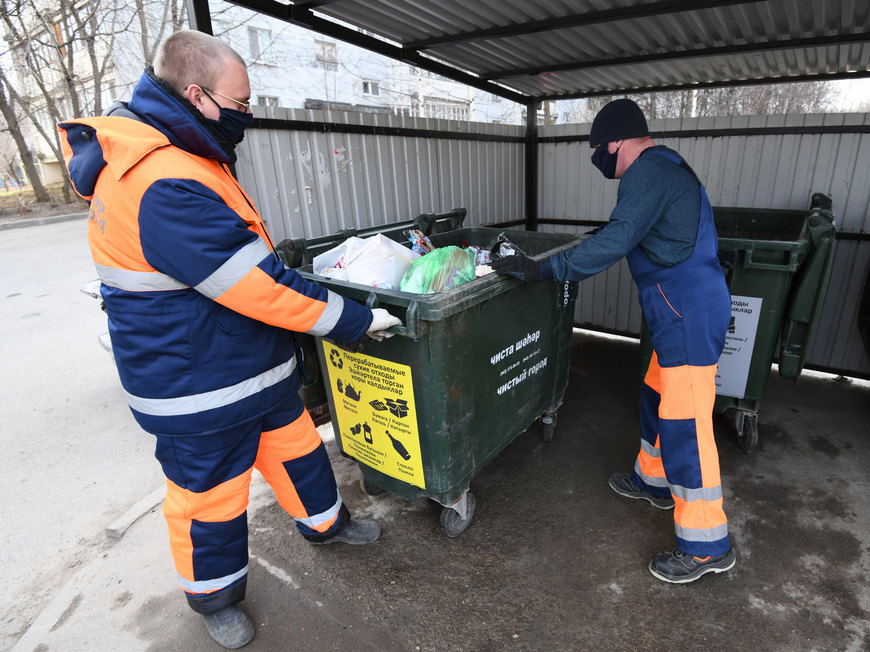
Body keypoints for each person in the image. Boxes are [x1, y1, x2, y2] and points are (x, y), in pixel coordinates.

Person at [58, 30, 401, 649]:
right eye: (240, 103)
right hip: (198, 387)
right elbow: (256, 286)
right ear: (197, 95)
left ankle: (326, 525)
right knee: (210, 500)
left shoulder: (186, 151)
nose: (247, 113)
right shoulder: (158, 179)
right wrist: (354, 320)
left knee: (300, 454)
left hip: (251, 365)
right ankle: (216, 598)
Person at [492, 99, 735, 584]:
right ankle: (654, 480)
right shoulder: (664, 166)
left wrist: (543, 269)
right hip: (678, 308)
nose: (598, 158)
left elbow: (619, 241)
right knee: (657, 395)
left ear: (618, 141)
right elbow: (637, 228)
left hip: (686, 310)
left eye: (599, 148)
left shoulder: (647, 172)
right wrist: (603, 234)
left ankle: (707, 546)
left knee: (687, 424)